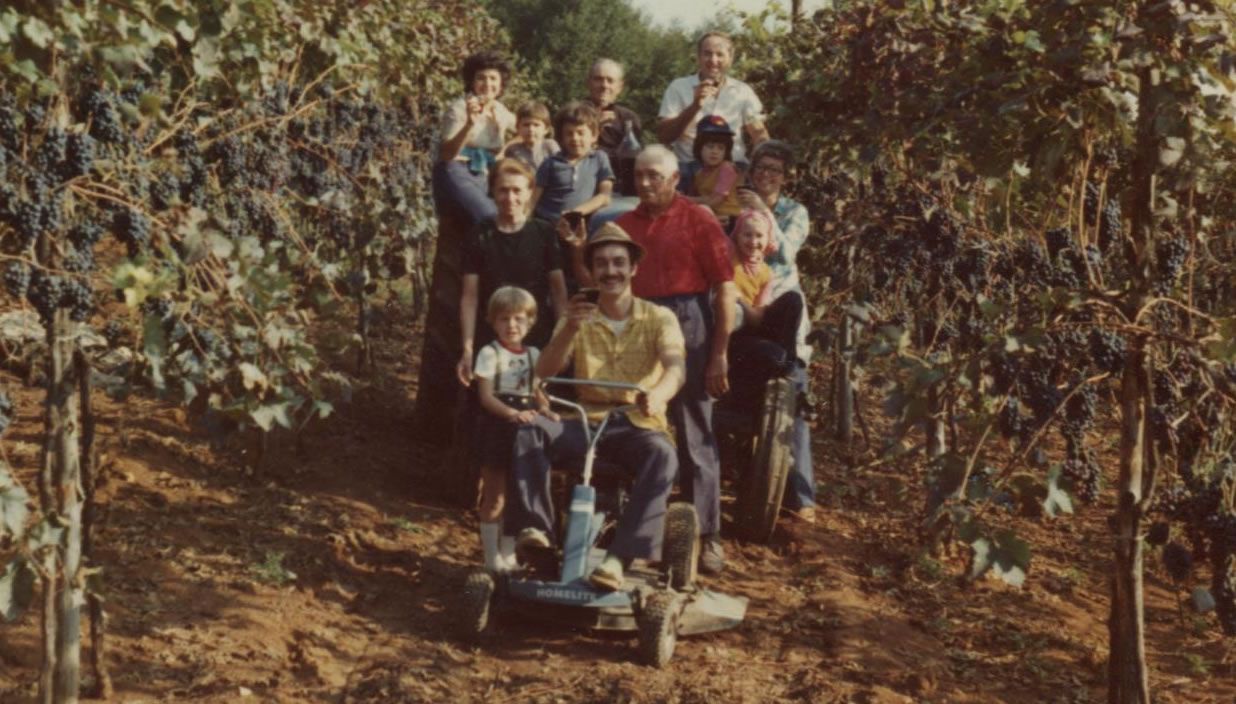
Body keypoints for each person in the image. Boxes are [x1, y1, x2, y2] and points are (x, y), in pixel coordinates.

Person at [507, 223, 686, 592]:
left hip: (635, 422)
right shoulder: (578, 315)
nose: (610, 272)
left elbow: (675, 367)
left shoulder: (658, 318)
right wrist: (570, 329)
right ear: (591, 270)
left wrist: (660, 394)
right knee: (531, 430)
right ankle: (536, 533)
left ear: (633, 268)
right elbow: (543, 371)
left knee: (663, 455)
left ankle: (619, 559)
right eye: (601, 263)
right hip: (585, 421)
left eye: (619, 263)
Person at [615, 145, 737, 574]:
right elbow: (599, 278)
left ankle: (706, 535)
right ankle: (631, 531)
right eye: (639, 176)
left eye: (654, 176)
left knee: (693, 428)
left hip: (688, 321)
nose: (645, 183)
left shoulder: (697, 220)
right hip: (637, 322)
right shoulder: (621, 226)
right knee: (632, 421)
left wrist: (719, 352)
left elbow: (725, 288)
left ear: (673, 180)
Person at [736, 140, 817, 522]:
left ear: (786, 178)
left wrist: (761, 211)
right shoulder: (735, 201)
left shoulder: (794, 211)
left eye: (776, 171)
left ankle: (801, 496)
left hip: (780, 308)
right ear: (751, 170)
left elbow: (785, 254)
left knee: (792, 388)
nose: (767, 175)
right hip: (739, 300)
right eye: (762, 168)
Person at [456, 159, 568, 385]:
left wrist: (561, 342)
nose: (510, 198)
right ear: (493, 193)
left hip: (536, 337)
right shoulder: (479, 234)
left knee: (537, 406)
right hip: (492, 336)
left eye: (517, 190)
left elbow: (558, 292)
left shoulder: (544, 233)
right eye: (503, 190)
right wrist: (467, 348)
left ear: (529, 192)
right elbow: (470, 296)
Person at [472, 287, 557, 573]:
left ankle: (508, 555)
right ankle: (490, 558)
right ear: (492, 321)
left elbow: (537, 392)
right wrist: (513, 414)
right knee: (495, 496)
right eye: (504, 319)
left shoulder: (534, 354)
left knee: (516, 495)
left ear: (530, 322)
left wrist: (545, 410)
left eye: (519, 319)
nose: (512, 325)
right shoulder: (489, 352)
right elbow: (486, 397)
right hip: (498, 425)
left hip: (523, 429)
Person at [658, 32, 769, 170]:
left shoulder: (742, 91)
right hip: (690, 168)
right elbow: (664, 136)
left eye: (720, 54)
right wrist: (695, 106)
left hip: (733, 168)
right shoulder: (679, 87)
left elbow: (759, 135)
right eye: (707, 54)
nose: (713, 60)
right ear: (698, 57)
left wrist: (757, 168)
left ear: (730, 58)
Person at [433, 51, 516, 228]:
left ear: (501, 84)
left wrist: (505, 150)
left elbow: (526, 128)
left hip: (485, 173)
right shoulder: (459, 108)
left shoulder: (500, 110)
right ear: (472, 82)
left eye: (493, 78)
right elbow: (446, 154)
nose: (487, 84)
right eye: (481, 78)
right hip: (456, 171)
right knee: (490, 217)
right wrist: (469, 124)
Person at [728, 208, 803, 370]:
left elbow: (756, 319)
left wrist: (740, 298)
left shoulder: (766, 273)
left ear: (768, 238)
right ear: (737, 236)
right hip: (729, 332)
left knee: (793, 299)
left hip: (748, 327)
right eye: (747, 235)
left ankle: (788, 363)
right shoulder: (730, 254)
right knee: (769, 353)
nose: (753, 241)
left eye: (759, 236)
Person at [532, 101, 615, 227]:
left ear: (594, 135)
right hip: (546, 224)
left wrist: (576, 213)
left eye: (581, 133)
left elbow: (605, 196)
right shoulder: (551, 163)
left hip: (578, 223)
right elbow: (533, 199)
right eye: (569, 133)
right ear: (561, 137)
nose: (575, 138)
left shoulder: (599, 158)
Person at [585, 58, 642, 197]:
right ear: (588, 83)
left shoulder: (629, 118)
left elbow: (636, 157)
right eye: (598, 79)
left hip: (622, 189)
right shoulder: (573, 114)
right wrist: (594, 126)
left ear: (620, 87)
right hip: (585, 186)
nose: (604, 85)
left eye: (610, 80)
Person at [686, 115, 742, 223]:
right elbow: (694, 196)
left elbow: (714, 200)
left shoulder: (726, 168)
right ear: (699, 147)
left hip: (731, 219)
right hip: (711, 218)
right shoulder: (700, 174)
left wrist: (682, 199)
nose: (715, 152)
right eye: (710, 146)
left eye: (721, 148)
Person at [501, 101, 560, 172]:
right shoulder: (513, 150)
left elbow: (559, 169)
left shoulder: (549, 146)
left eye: (536, 125)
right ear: (517, 128)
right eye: (526, 125)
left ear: (546, 129)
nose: (531, 129)